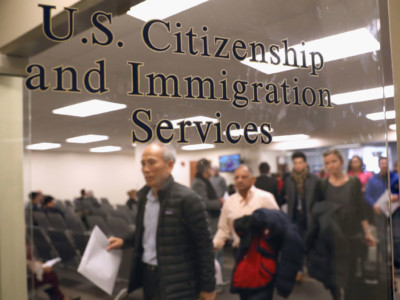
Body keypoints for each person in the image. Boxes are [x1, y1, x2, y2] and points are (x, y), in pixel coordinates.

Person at [107, 143, 216, 300]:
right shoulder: (144, 197)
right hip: (148, 277)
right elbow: (146, 231)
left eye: (151, 162)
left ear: (169, 165)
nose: (145, 169)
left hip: (178, 282)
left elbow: (204, 247)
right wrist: (124, 241)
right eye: (143, 164)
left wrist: (208, 287)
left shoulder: (188, 199)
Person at [306, 148, 376, 300]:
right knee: (333, 277)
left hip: (351, 235)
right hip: (330, 237)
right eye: (327, 163)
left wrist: (367, 232)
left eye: (334, 161)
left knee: (350, 275)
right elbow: (315, 210)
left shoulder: (353, 182)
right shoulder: (322, 184)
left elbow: (361, 209)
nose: (331, 166)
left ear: (342, 162)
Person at [213, 164, 279, 251]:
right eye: (236, 177)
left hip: (263, 252)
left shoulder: (266, 198)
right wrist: (215, 245)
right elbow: (223, 229)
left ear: (253, 180)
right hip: (239, 252)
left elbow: (278, 224)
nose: (240, 180)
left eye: (244, 177)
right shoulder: (229, 202)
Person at [365, 157, 400, 270]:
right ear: (379, 165)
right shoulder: (372, 180)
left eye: (386, 163)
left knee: (396, 237)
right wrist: (373, 204)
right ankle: (385, 261)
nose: (384, 165)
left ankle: (397, 262)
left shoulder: (395, 177)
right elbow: (367, 195)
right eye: (382, 163)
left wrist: (397, 196)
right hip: (379, 211)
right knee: (382, 237)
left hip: (394, 211)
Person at [282, 151, 320, 237]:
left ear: (305, 164)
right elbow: (285, 197)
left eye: (300, 163)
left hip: (309, 215)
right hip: (294, 216)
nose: (298, 165)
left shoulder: (314, 179)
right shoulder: (289, 180)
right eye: (295, 163)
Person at [192, 159, 222, 235]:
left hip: (212, 220)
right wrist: (219, 203)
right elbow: (204, 203)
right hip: (208, 221)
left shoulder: (205, 181)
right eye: (210, 168)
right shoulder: (198, 183)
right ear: (207, 170)